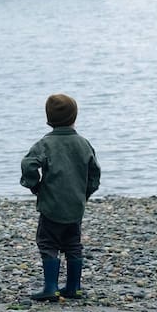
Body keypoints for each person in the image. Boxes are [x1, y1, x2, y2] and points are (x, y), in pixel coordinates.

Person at [19, 94, 101, 301]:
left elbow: (28, 165)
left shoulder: (44, 144)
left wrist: (34, 186)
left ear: (48, 119)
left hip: (51, 205)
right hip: (75, 205)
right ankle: (74, 287)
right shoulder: (83, 143)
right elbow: (94, 173)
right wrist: (85, 193)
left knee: (48, 243)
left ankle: (51, 287)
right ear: (75, 117)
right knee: (73, 244)